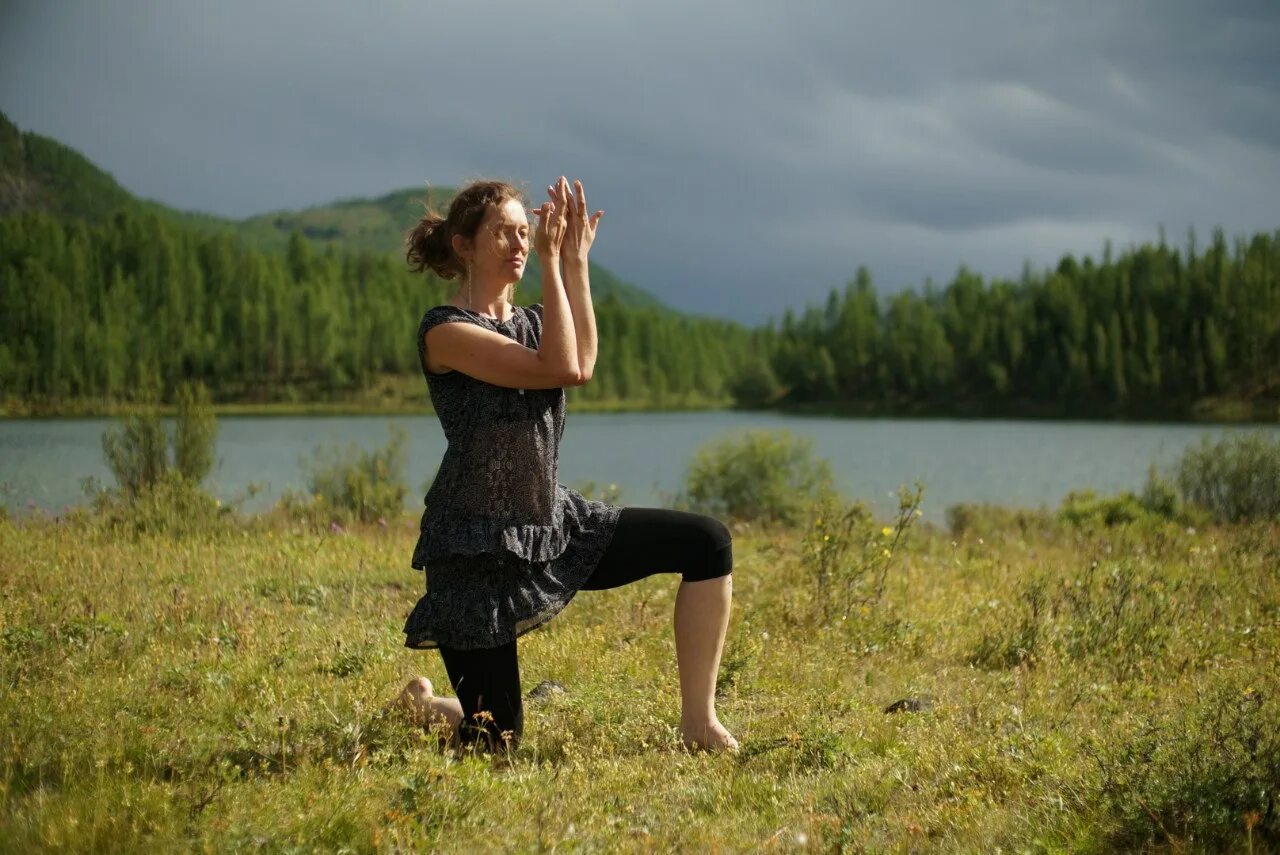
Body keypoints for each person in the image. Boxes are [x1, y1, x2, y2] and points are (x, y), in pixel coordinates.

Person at [394, 176, 738, 754]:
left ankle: (699, 723)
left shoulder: (530, 322)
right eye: (503, 232)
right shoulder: (446, 332)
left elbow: (582, 360)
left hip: (549, 523)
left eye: (525, 233)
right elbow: (562, 367)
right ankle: (428, 706)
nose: (519, 243)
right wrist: (554, 261)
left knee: (706, 543)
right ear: (463, 245)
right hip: (474, 553)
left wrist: (575, 263)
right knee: (497, 742)